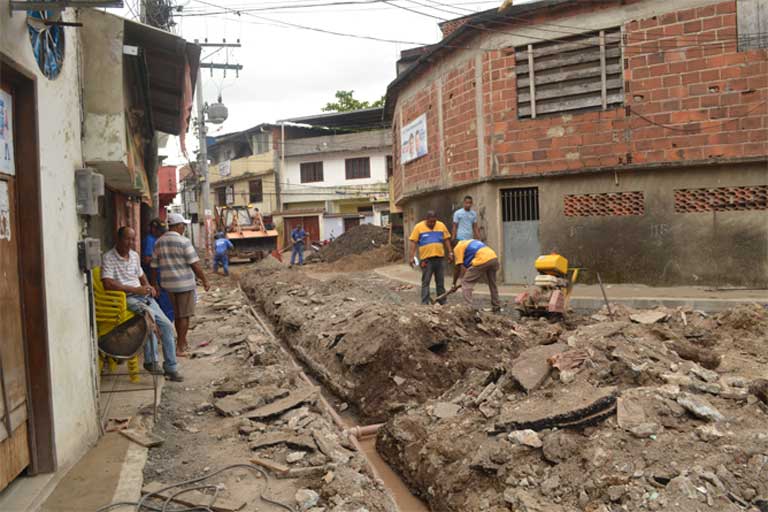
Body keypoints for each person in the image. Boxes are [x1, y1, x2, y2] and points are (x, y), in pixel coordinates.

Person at [101, 226, 182, 381]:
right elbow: (108, 283)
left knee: (166, 325)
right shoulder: (109, 257)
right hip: (126, 298)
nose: (130, 242)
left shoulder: (134, 255)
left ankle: (171, 367)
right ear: (118, 239)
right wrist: (134, 289)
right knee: (149, 321)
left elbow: (141, 274)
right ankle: (151, 361)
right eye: (127, 238)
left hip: (142, 295)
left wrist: (148, 286)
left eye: (133, 239)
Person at [151, 212, 210, 357]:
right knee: (184, 316)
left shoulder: (158, 242)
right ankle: (181, 346)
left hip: (168, 285)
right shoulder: (184, 242)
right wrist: (205, 280)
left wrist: (155, 284)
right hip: (184, 285)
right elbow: (194, 264)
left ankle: (180, 342)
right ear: (177, 226)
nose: (184, 228)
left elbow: (153, 266)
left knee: (178, 314)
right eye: (183, 225)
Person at [408, 210, 454, 305]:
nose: (432, 224)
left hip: (439, 258)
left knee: (440, 281)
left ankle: (442, 301)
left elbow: (446, 239)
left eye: (434, 222)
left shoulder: (441, 225)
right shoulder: (418, 227)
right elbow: (413, 242)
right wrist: (411, 257)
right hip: (426, 260)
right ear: (426, 219)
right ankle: (425, 302)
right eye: (430, 222)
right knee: (426, 281)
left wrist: (450, 253)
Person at [452, 238, 501, 312]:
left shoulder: (457, 247)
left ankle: (468, 307)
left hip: (482, 260)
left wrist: (454, 283)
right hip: (493, 258)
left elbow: (458, 267)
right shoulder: (470, 242)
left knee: (466, 282)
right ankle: (496, 305)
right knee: (492, 283)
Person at [142, 218, 174, 322]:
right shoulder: (150, 240)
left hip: (162, 276)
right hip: (155, 277)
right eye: (158, 230)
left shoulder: (157, 239)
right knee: (163, 306)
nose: (160, 233)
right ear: (153, 229)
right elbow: (147, 259)